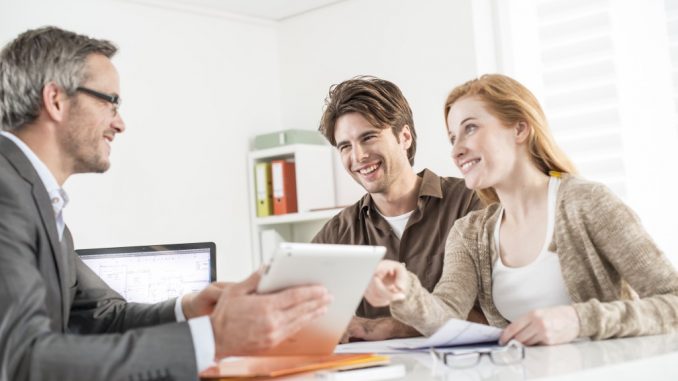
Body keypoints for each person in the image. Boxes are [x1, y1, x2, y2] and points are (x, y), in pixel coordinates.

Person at [0, 26, 331, 381]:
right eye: (109, 100)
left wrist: (191, 309)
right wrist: (215, 338)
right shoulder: (7, 192)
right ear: (55, 100)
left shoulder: (38, 200)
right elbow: (23, 360)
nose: (120, 123)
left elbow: (101, 317)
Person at [364, 73, 678, 346]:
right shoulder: (470, 232)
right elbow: (445, 318)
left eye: (470, 128)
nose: (456, 149)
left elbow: (673, 302)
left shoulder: (586, 202)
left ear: (520, 129)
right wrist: (404, 292)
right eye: (452, 137)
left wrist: (578, 320)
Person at [313, 76, 483, 341]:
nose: (358, 156)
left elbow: (495, 315)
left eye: (368, 137)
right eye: (345, 146)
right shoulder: (337, 234)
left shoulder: (470, 203)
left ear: (404, 136)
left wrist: (387, 327)